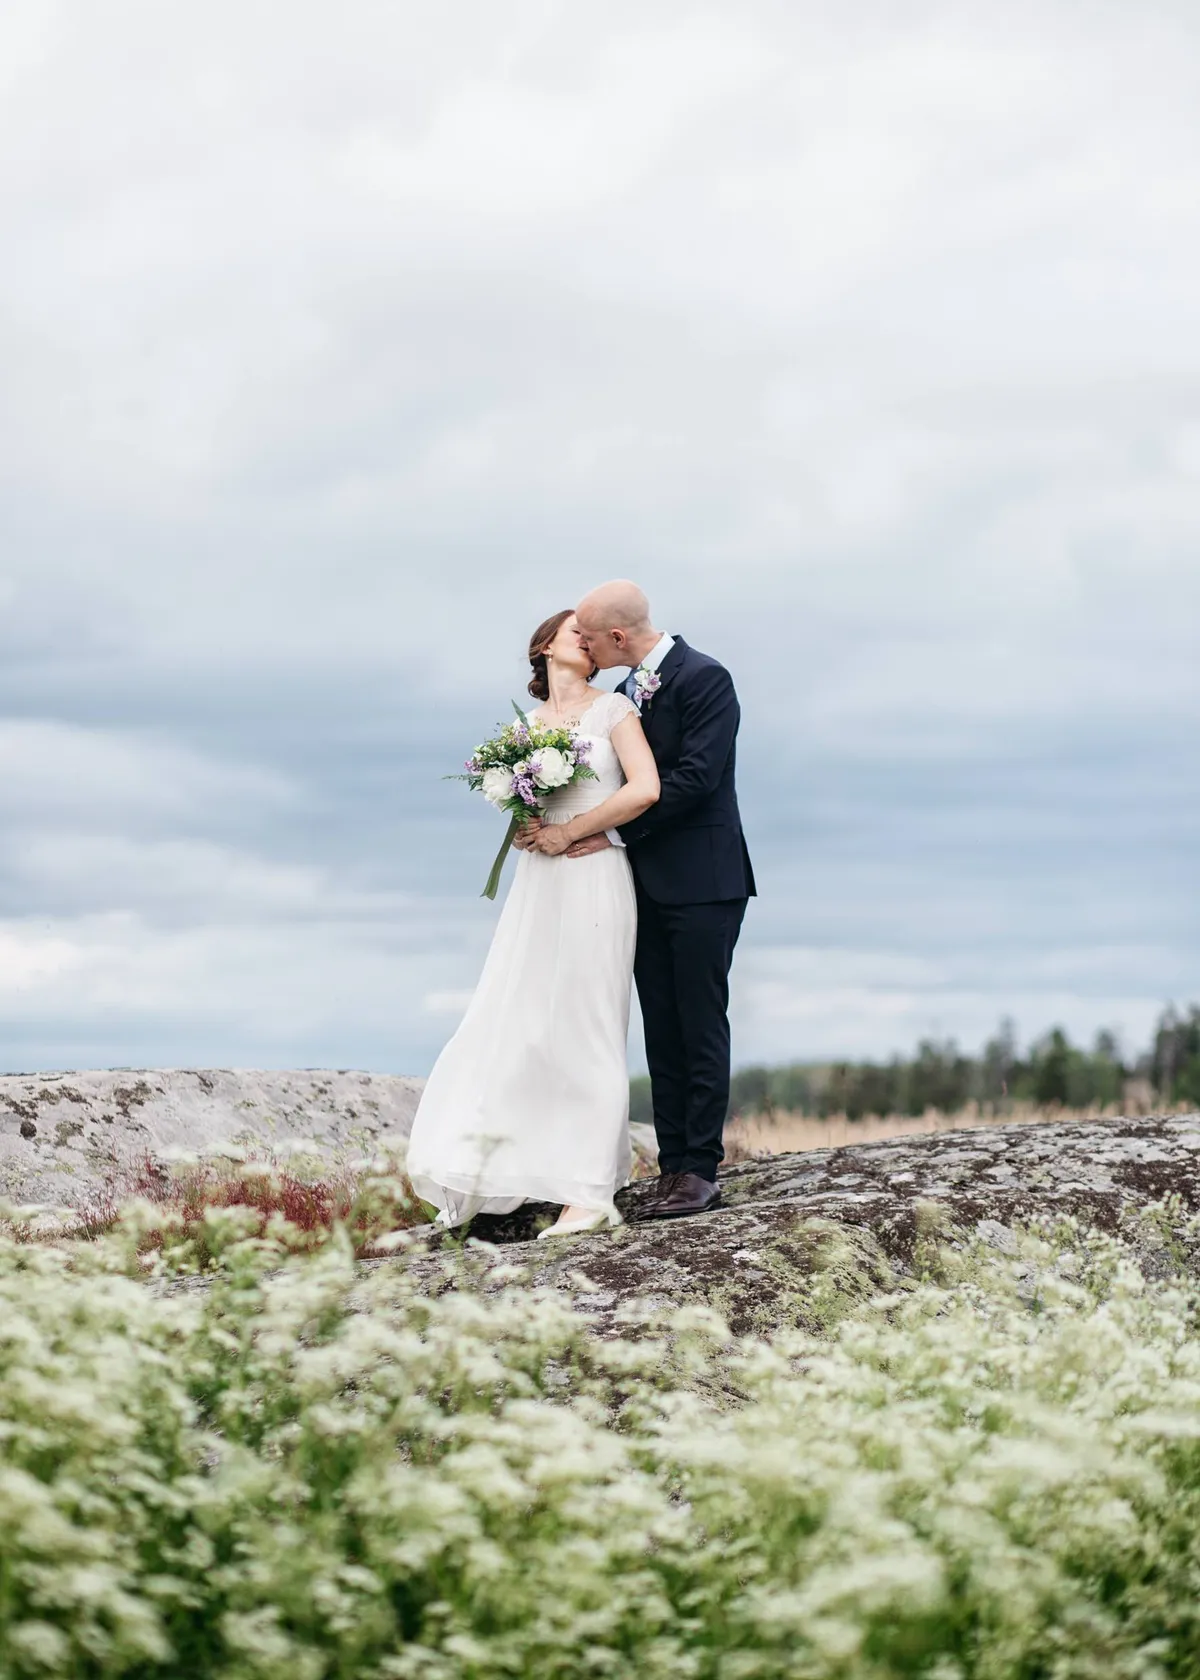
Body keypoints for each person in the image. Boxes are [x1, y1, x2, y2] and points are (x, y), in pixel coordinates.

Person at [405, 608, 660, 1238]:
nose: (587, 633)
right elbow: (525, 804)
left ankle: (588, 1190)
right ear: (544, 645)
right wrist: (526, 826)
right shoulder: (524, 730)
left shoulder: (616, 712)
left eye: (591, 631)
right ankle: (499, 1171)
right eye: (574, 626)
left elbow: (645, 788)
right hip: (539, 884)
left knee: (587, 1020)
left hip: (595, 876)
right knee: (514, 1019)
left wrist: (573, 830)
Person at [566, 581, 756, 1219]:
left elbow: (697, 780)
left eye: (589, 638)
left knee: (700, 1021)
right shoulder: (625, 695)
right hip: (642, 885)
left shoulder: (707, 679)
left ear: (617, 638)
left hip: (705, 880)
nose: (584, 649)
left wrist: (609, 829)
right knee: (662, 1026)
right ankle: (672, 1164)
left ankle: (701, 1169)